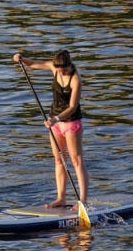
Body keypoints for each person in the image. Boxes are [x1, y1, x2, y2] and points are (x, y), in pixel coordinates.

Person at [13, 50, 89, 209]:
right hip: (54, 123)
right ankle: (61, 198)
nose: (61, 72)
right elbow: (33, 63)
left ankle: (82, 200)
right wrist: (21, 59)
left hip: (70, 122)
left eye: (64, 70)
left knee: (76, 160)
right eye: (59, 70)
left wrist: (57, 119)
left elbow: (73, 106)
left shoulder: (76, 79)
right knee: (59, 160)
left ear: (69, 65)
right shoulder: (54, 67)